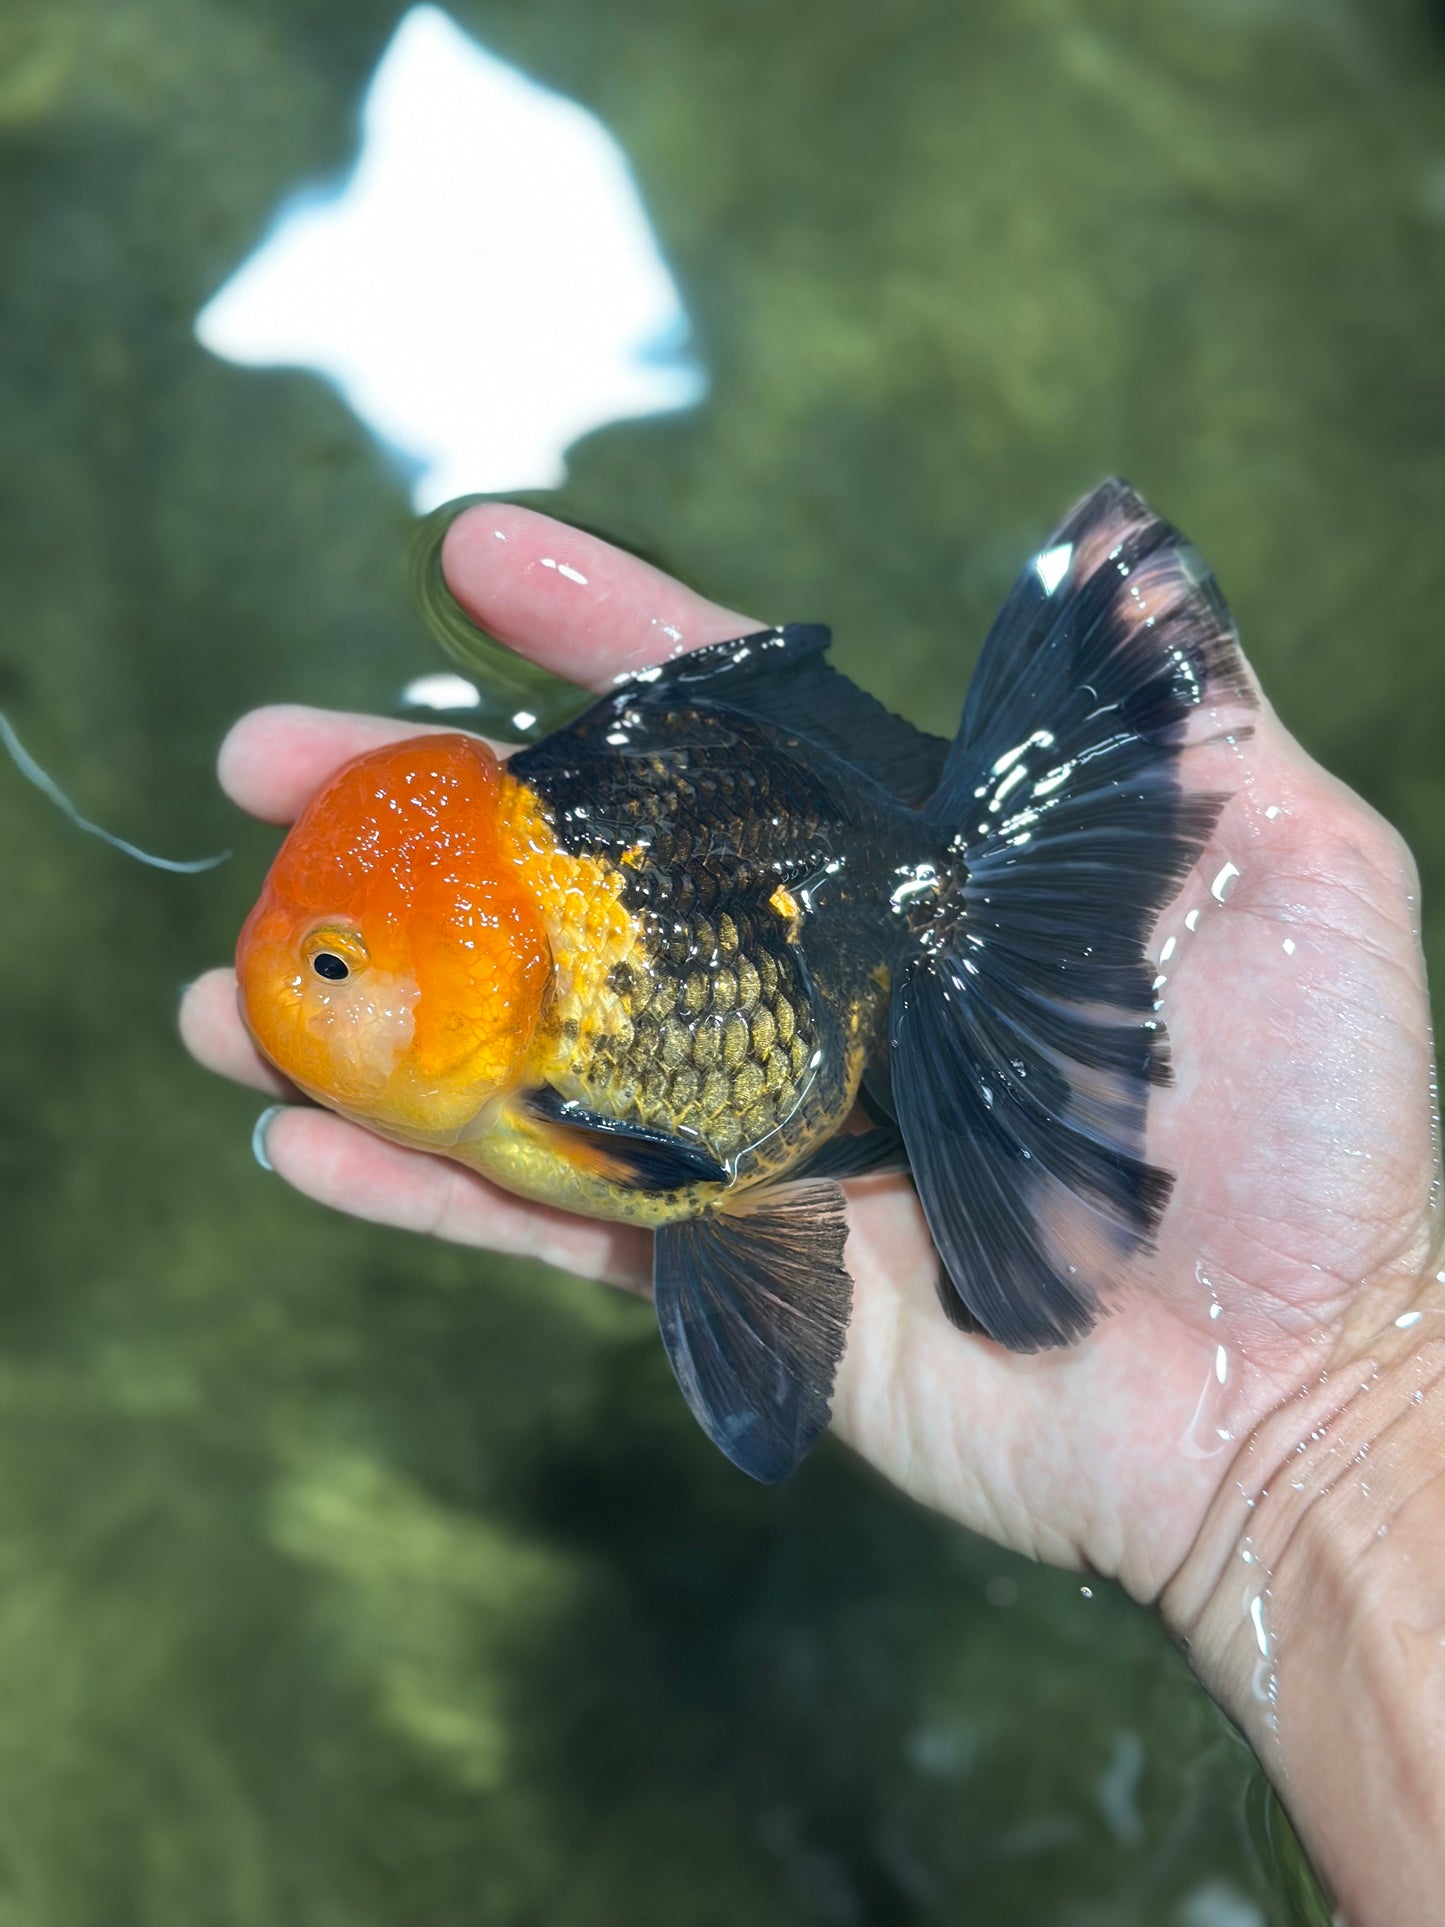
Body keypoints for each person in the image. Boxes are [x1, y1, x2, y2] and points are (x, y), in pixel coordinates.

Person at [180, 502, 1443, 1925]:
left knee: (721, 1176)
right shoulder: (505, 1026)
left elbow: (670, 1178)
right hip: (803, 978)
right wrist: (1325, 1427)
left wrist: (1321, 1417)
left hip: (824, 957)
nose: (291, 984)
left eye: (335, 963)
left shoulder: (557, 1086)